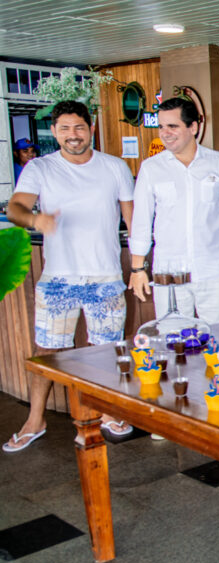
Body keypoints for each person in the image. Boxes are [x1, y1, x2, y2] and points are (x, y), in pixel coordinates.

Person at [3, 101, 136, 452]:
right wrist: (35, 220)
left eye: (78, 127)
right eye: (63, 128)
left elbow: (132, 218)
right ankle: (35, 420)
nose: (72, 135)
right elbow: (15, 207)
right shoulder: (40, 167)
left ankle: (102, 414)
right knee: (47, 351)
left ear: (91, 128)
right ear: (55, 132)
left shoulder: (115, 167)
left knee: (106, 351)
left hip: (105, 276)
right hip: (58, 278)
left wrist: (140, 263)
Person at [129, 98, 219, 323]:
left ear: (193, 127)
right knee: (174, 343)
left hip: (214, 270)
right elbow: (141, 223)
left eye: (173, 126)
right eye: (161, 126)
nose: (165, 133)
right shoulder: (151, 169)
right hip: (168, 273)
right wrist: (137, 269)